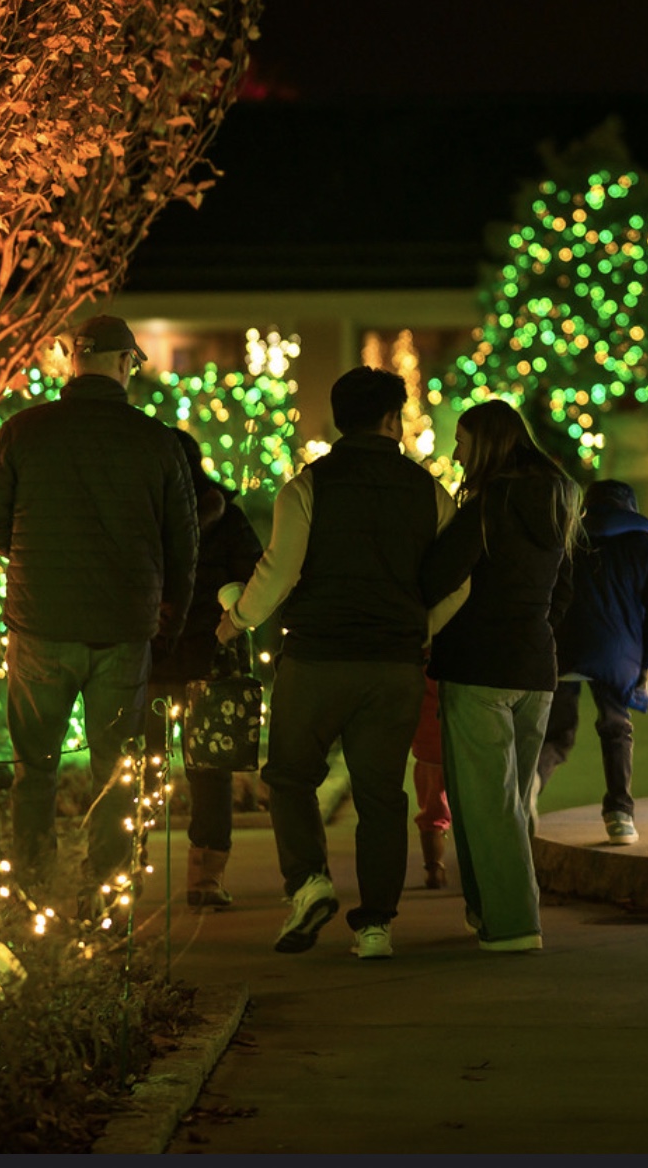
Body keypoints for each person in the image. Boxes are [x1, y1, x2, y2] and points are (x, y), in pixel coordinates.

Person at [216, 367, 467, 962]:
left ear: (338, 419)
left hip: (318, 658)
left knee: (289, 777)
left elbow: (277, 573)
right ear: (390, 421)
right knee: (382, 794)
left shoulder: (307, 488)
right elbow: (457, 582)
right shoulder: (426, 490)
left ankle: (309, 883)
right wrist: (418, 629)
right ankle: (375, 925)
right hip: (394, 665)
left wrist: (237, 617)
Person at [0, 315, 198, 892]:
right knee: (114, 774)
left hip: (40, 622)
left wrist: (29, 555)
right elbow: (183, 547)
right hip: (123, 628)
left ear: (74, 362)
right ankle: (106, 892)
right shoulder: (157, 442)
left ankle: (31, 887)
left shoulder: (24, 431)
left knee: (34, 771)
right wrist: (169, 624)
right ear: (125, 364)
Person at [417, 401, 578, 953]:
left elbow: (437, 575)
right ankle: (485, 911)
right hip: (535, 667)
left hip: (478, 666)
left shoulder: (486, 506)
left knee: (485, 802)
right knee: (501, 798)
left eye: (461, 441)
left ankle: (512, 924)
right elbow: (566, 588)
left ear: (484, 444)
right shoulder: (559, 501)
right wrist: (535, 624)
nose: (456, 452)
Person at [147, 427, 265, 910]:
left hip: (154, 658)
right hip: (203, 658)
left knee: (139, 767)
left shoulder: (144, 514)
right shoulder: (228, 518)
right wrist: (232, 614)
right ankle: (205, 878)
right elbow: (258, 573)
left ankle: (125, 869)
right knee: (207, 772)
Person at [538, 479, 648, 845]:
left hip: (565, 647)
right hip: (619, 653)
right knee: (616, 726)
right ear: (631, 509)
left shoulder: (569, 544)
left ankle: (531, 785)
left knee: (557, 733)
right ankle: (619, 814)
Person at [411, 677, 450, 887]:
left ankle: (434, 867)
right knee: (473, 809)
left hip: (428, 739)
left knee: (433, 810)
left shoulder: (421, 655)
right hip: (465, 736)